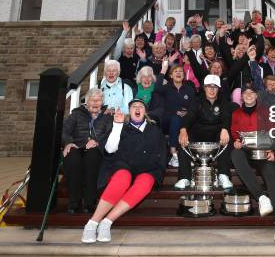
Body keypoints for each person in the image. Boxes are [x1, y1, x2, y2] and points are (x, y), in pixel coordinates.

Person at [81, 99, 167, 243]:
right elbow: (109, 149)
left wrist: (157, 168)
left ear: (145, 112)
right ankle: (92, 223)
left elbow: (161, 155)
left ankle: (107, 222)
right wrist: (117, 125)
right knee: (122, 178)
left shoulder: (155, 130)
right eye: (134, 106)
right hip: (124, 165)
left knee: (146, 182)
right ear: (130, 111)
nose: (137, 108)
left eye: (141, 106)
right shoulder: (122, 127)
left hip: (147, 168)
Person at [230, 84, 275, 243]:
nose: (249, 95)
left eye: (252, 92)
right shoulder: (236, 113)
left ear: (257, 95)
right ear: (241, 97)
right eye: (245, 93)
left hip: (263, 151)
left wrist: (274, 151)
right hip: (245, 151)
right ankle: (261, 197)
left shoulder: (267, 111)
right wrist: (235, 142)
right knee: (235, 153)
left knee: (272, 175)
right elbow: (234, 133)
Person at [175, 74, 235, 190]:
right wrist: (183, 130)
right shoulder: (197, 100)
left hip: (216, 134)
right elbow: (190, 116)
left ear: (219, 88)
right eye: (209, 86)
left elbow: (227, 117)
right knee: (183, 138)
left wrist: (225, 129)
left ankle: (223, 175)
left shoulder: (224, 101)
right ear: (204, 87)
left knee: (227, 138)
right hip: (199, 133)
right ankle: (184, 178)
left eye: (215, 87)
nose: (212, 90)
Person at [62, 88, 112, 214]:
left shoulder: (107, 117)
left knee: (92, 158)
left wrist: (97, 141)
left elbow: (109, 134)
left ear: (102, 102)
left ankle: (90, 202)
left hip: (96, 149)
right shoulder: (76, 114)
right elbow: (65, 131)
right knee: (72, 158)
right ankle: (74, 201)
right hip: (77, 146)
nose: (95, 102)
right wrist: (69, 142)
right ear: (86, 102)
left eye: (98, 100)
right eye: (92, 100)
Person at [155, 62, 197, 167]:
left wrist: (187, 112)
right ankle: (173, 153)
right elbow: (156, 89)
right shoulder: (167, 88)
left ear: (184, 75)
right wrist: (163, 70)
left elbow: (194, 107)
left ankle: (189, 155)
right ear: (171, 75)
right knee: (176, 118)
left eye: (181, 71)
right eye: (175, 71)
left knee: (189, 121)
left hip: (185, 119)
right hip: (168, 120)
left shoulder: (190, 90)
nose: (178, 73)